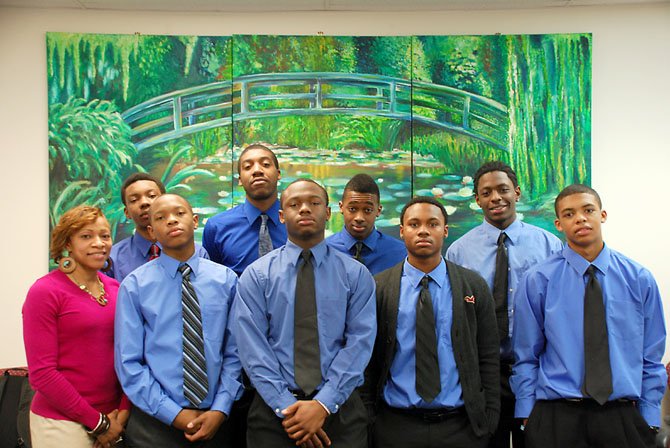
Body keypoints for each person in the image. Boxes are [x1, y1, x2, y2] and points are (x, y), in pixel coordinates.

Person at [511, 184, 666, 448]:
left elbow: (651, 356)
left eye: (588, 210)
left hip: (622, 415)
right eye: (569, 214)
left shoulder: (639, 279)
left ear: (602, 215)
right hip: (556, 416)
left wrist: (650, 414)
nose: (580, 218)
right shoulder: (538, 280)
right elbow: (526, 355)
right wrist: (526, 413)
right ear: (558, 224)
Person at [233, 178, 376, 447]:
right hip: (273, 415)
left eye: (314, 202)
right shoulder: (257, 276)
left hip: (341, 412)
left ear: (329, 211)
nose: (305, 209)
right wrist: (288, 408)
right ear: (281, 215)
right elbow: (253, 348)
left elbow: (360, 343)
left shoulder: (356, 275)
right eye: (294, 204)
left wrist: (323, 403)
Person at [365, 196, 500, 448]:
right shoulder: (379, 288)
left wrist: (489, 417)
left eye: (433, 224)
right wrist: (370, 418)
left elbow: (489, 355)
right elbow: (367, 360)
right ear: (402, 231)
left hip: (461, 427)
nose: (423, 230)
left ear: (445, 231)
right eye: (414, 224)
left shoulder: (473, 286)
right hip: (395, 426)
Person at [446, 161, 562, 448]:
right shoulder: (458, 251)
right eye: (486, 193)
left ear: (517, 193)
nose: (495, 198)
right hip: (484, 374)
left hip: (535, 370)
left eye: (502, 189)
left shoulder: (549, 246)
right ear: (477, 200)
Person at [114, 194, 242, 448]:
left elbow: (235, 353)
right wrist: (173, 414)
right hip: (154, 424)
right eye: (161, 218)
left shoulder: (226, 280)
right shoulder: (135, 285)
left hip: (218, 420)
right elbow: (129, 362)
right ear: (151, 231)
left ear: (195, 221)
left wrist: (220, 408)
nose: (171, 221)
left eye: (179, 213)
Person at [23, 205, 128, 448]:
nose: (99, 243)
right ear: (67, 243)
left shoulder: (116, 289)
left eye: (104, 235)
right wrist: (98, 423)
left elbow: (129, 355)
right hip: (61, 422)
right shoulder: (45, 292)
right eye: (86, 236)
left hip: (114, 418)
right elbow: (42, 374)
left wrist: (122, 413)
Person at [202, 143, 287, 276]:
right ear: (240, 180)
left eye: (265, 164)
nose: (257, 171)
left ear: (278, 174)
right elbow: (213, 281)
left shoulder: (296, 222)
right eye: (248, 167)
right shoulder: (217, 227)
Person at [109, 173, 209, 282]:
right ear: (126, 212)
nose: (144, 203)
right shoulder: (112, 259)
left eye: (152, 196)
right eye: (134, 200)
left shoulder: (197, 252)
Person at [326, 173, 406, 275]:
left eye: (367, 210)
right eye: (352, 209)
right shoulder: (325, 251)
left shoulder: (399, 253)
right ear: (341, 207)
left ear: (378, 210)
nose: (359, 218)